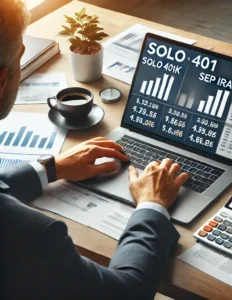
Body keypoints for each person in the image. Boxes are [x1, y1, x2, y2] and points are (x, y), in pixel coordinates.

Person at [0, 1, 189, 299]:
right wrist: (152, 205)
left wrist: (51, 168)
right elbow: (127, 294)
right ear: (2, 79)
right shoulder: (35, 236)